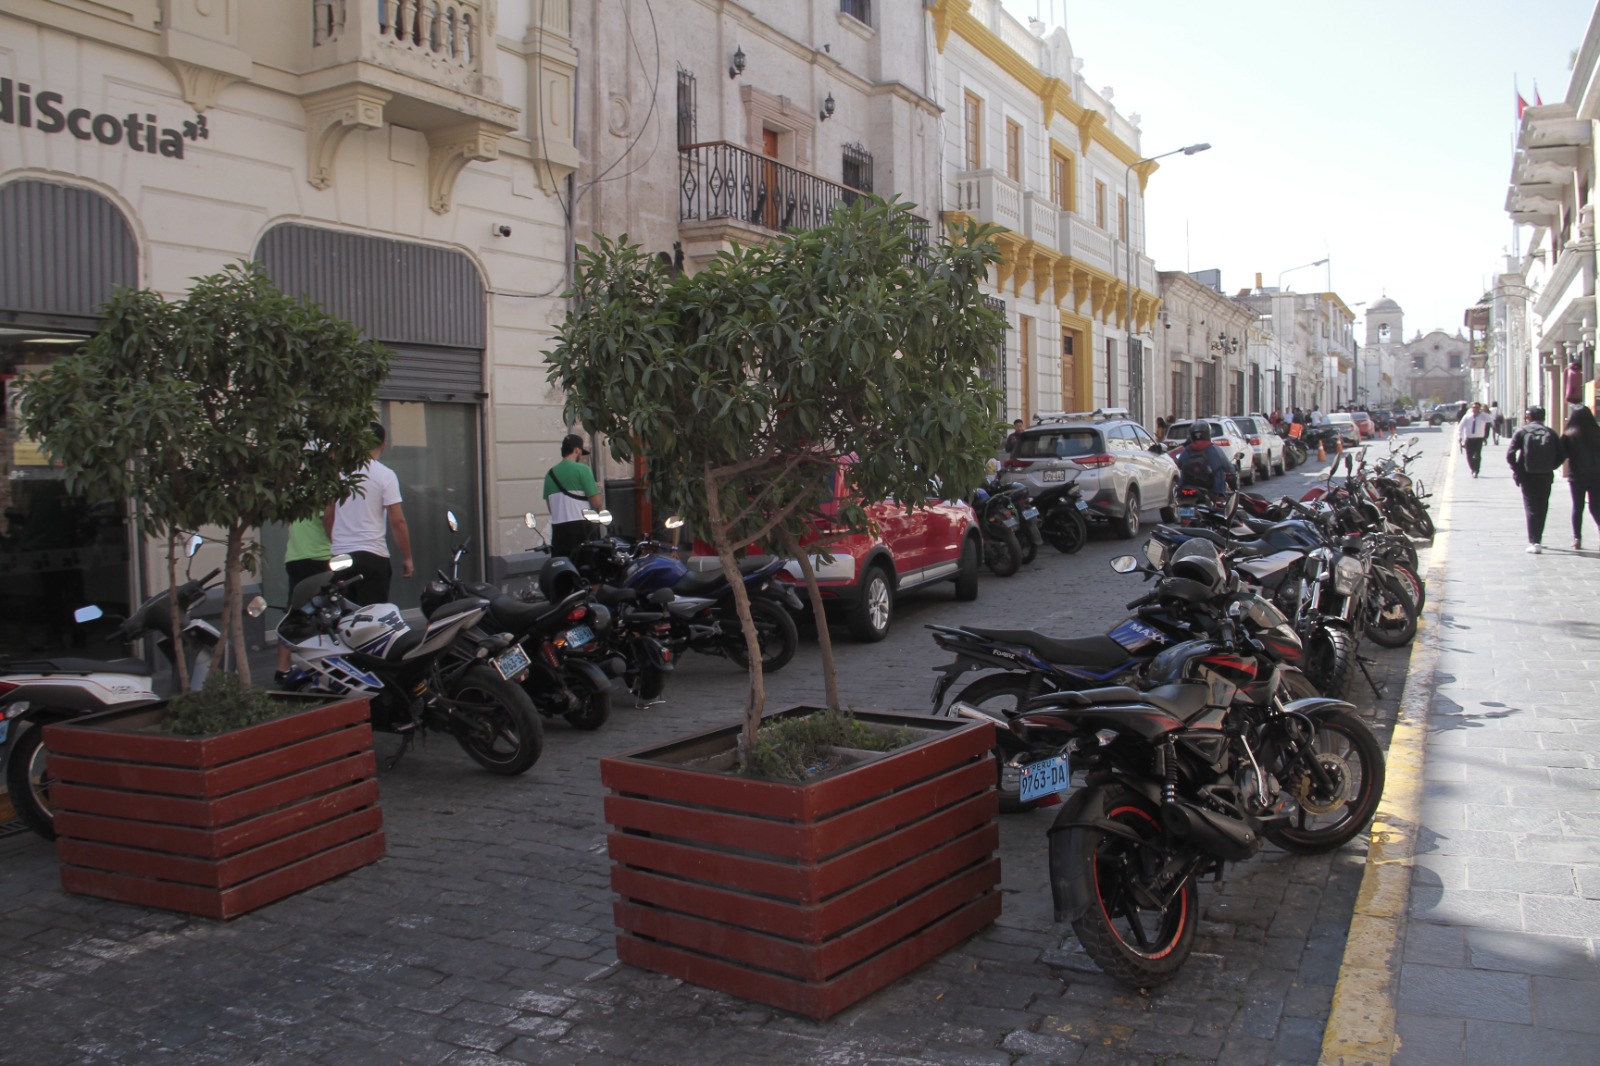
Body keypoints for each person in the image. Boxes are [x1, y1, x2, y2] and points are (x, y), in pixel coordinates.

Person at [326, 421, 413, 605]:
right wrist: (407, 556)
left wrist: (336, 542)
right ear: (383, 444)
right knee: (371, 616)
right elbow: (397, 521)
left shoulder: (341, 474)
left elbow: (328, 514)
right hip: (372, 555)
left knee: (342, 613)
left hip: (341, 556)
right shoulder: (385, 475)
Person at [275, 514, 330, 685]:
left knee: (294, 611)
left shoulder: (298, 488)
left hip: (295, 556)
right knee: (325, 611)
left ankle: (282, 668)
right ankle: (321, 666)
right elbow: (328, 518)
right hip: (319, 554)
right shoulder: (325, 488)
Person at [1506, 405, 1564, 554]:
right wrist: (1550, 466)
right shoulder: (1550, 433)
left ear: (1529, 417)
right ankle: (1539, 537)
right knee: (1542, 506)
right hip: (1545, 475)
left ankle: (1534, 541)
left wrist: (1518, 470)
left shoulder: (1522, 432)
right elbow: (1562, 455)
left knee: (1531, 507)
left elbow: (1510, 454)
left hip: (1528, 476)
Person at [545, 433, 603, 557]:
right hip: (581, 527)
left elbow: (551, 508)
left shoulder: (549, 474)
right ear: (577, 450)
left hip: (558, 529)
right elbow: (597, 503)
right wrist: (597, 489)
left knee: (563, 567)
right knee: (585, 566)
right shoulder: (583, 470)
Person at [1562, 403, 1600, 550]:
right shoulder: (1597, 432)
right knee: (1595, 506)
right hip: (1597, 475)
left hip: (1577, 476)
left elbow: (1561, 454)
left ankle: (1577, 538)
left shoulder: (1569, 435)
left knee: (1577, 507)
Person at [1175, 422, 1235, 496]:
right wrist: (1233, 469)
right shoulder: (1214, 449)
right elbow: (1228, 466)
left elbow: (1179, 465)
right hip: (1212, 490)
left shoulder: (1186, 450)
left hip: (1185, 489)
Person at [1457, 401, 1493, 478]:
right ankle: (1473, 469)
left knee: (1477, 455)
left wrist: (1482, 413)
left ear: (1479, 409)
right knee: (1469, 456)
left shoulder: (1482, 416)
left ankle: (1476, 470)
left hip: (1478, 439)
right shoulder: (1467, 417)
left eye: (1476, 408)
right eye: (1473, 407)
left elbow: (1490, 419)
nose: (1474, 409)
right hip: (1469, 439)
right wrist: (1459, 437)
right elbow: (1460, 427)